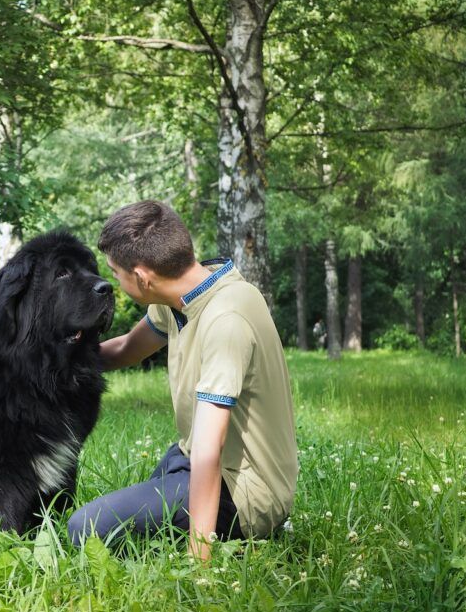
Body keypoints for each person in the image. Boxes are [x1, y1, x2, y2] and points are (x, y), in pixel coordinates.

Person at [67, 200, 298, 561]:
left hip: (246, 492)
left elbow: (209, 451)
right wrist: (52, 359)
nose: (114, 281)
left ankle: (238, 539)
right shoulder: (183, 292)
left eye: (116, 273)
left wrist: (199, 564)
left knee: (85, 529)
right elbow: (128, 348)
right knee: (137, 508)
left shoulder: (226, 320)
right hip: (194, 460)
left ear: (142, 277)